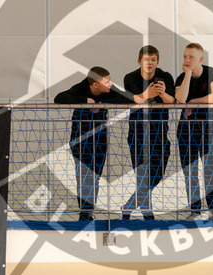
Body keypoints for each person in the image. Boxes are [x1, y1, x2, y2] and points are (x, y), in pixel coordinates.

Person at [54, 66, 130, 221]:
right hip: (80, 140)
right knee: (83, 177)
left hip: (100, 140)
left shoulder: (108, 90)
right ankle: (84, 213)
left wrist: (100, 103)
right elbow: (59, 98)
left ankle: (88, 212)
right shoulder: (81, 88)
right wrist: (86, 102)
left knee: (95, 178)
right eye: (107, 81)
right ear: (95, 85)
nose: (110, 84)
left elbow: (127, 98)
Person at [121, 45, 176, 220]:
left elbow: (172, 101)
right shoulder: (130, 78)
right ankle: (147, 211)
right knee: (142, 173)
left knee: (158, 171)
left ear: (157, 61)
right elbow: (134, 98)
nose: (149, 63)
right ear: (139, 61)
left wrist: (162, 93)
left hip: (160, 131)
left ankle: (130, 204)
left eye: (153, 60)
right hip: (137, 132)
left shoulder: (165, 77)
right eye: (146, 59)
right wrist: (148, 93)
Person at [174, 43, 213, 217]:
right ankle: (195, 210)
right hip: (185, 130)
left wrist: (193, 101)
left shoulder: (211, 73)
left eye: (191, 57)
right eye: (185, 57)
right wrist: (188, 73)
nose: (187, 60)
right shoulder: (181, 77)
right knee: (190, 170)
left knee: (209, 169)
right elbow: (180, 99)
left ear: (201, 59)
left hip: (207, 128)